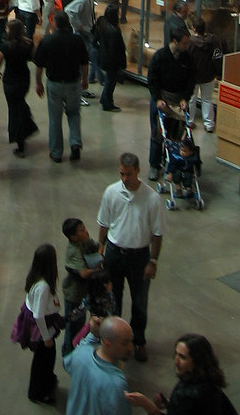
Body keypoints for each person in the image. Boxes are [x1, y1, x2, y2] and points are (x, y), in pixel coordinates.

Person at [97, 152, 164, 363]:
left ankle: (138, 341)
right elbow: (104, 223)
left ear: (138, 171)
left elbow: (157, 233)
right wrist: (101, 249)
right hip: (115, 253)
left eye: (128, 174)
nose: (125, 178)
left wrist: (153, 261)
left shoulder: (151, 198)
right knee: (112, 299)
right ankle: (115, 342)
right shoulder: (111, 192)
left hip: (139, 257)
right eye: (121, 174)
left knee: (139, 302)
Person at [127, 333, 238, 414]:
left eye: (182, 357)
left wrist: (146, 405)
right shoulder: (206, 380)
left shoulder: (195, 395)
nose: (176, 360)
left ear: (197, 361)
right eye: (176, 354)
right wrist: (170, 404)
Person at [34, 10, 88, 163]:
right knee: (74, 113)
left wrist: (38, 83)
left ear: (54, 23)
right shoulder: (77, 41)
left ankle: (56, 152)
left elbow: (39, 65)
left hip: (55, 84)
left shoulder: (47, 41)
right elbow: (84, 62)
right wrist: (84, 79)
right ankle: (75, 143)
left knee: (55, 118)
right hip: (73, 83)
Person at [147, 29, 196, 180]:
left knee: (175, 136)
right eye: (184, 43)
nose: (187, 46)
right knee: (157, 134)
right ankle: (154, 165)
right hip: (162, 99)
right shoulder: (160, 56)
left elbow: (191, 80)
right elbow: (152, 79)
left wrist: (185, 98)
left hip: (178, 100)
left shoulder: (187, 58)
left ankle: (169, 161)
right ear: (175, 41)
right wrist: (157, 99)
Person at [63, 315, 134, 415]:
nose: (131, 347)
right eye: (125, 343)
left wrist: (94, 333)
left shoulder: (80, 354)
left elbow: (68, 363)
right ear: (107, 343)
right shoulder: (116, 384)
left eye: (131, 341)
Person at [23, 243, 63, 405]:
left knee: (45, 361)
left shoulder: (36, 279)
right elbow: (38, 315)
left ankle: (46, 382)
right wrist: (46, 337)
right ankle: (38, 392)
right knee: (42, 361)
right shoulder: (44, 287)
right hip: (43, 332)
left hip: (44, 329)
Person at [0, 17, 38, 157]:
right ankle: (28, 127)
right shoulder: (29, 44)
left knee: (14, 110)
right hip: (24, 78)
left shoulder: (5, 46)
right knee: (20, 104)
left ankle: (20, 141)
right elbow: (35, 58)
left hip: (10, 80)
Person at [61, 217, 103, 355]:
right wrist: (98, 269)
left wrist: (98, 257)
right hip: (74, 294)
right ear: (73, 237)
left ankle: (76, 349)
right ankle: (69, 353)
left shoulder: (84, 241)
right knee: (73, 326)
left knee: (80, 324)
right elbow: (84, 273)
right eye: (81, 230)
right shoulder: (73, 250)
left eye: (84, 228)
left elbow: (99, 247)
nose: (86, 231)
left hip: (84, 292)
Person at [65, 0, 102, 92]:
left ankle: (87, 82)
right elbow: (69, 11)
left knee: (90, 56)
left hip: (87, 32)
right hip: (82, 34)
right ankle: (79, 89)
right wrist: (79, 26)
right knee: (82, 60)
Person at [187, 17, 222, 131]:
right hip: (208, 75)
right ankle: (209, 124)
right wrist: (218, 72)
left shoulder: (189, 42)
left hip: (193, 76)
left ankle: (189, 121)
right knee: (207, 99)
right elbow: (218, 58)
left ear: (194, 28)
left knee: (191, 99)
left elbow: (186, 59)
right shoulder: (214, 40)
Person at [96, 2, 127, 112]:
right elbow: (115, 49)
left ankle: (105, 99)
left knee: (110, 80)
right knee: (111, 81)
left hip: (104, 58)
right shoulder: (114, 31)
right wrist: (120, 63)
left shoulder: (103, 24)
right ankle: (107, 102)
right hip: (112, 61)